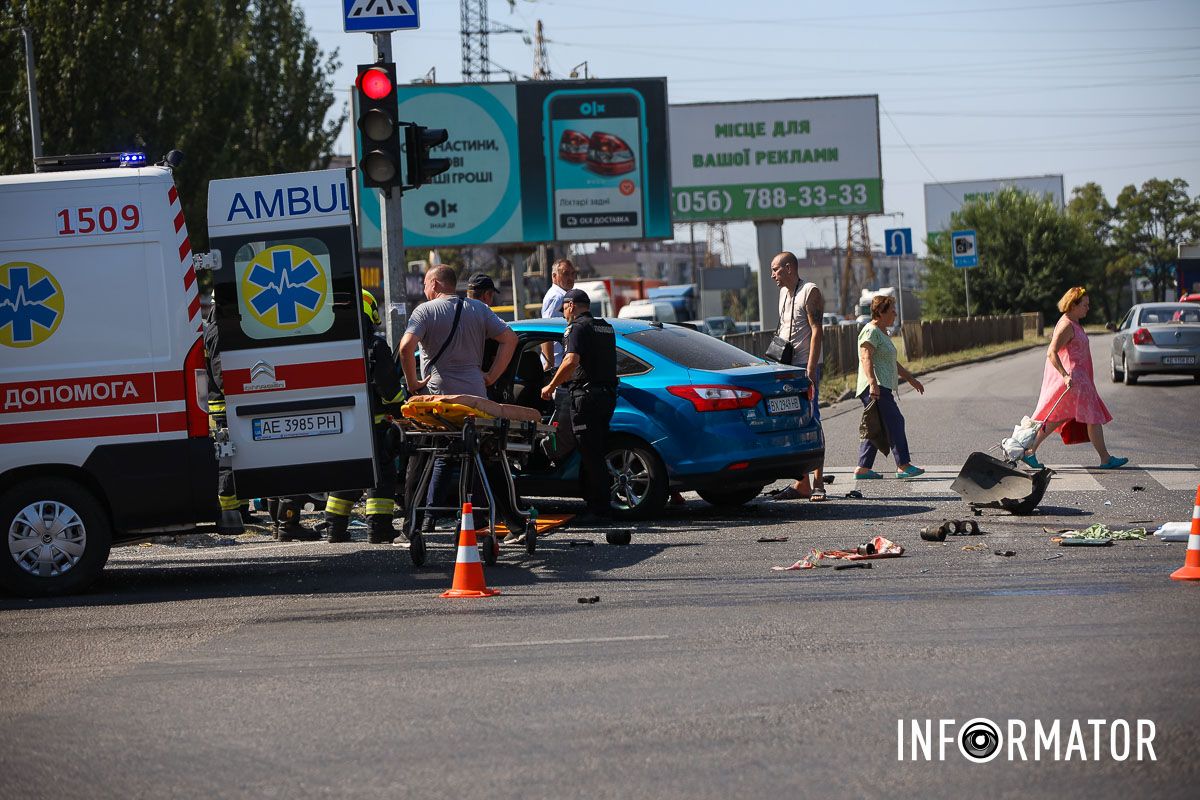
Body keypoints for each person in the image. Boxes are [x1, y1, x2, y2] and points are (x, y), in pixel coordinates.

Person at [398, 265, 518, 533]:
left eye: (427, 284)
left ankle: (422, 520)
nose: (426, 290)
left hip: (441, 399)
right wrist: (491, 376)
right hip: (476, 397)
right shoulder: (478, 309)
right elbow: (509, 339)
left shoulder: (425, 311)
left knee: (435, 455)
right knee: (478, 454)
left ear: (436, 284)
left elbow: (405, 348)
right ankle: (490, 519)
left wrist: (413, 383)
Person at [320, 290, 409, 544]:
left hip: (342, 423)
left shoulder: (331, 345)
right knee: (381, 475)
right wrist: (399, 407)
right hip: (374, 424)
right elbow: (389, 388)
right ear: (369, 312)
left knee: (348, 472)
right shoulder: (375, 345)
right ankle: (378, 529)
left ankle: (334, 528)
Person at [1022, 287, 1127, 470]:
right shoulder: (1066, 325)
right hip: (1075, 380)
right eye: (1085, 305)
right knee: (1091, 417)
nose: (1088, 308)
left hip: (1079, 379)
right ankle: (1105, 458)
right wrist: (1064, 375)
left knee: (1059, 417)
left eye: (1088, 304)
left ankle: (1030, 451)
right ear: (1073, 305)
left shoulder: (1074, 323)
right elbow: (1051, 353)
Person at [540, 289, 618, 521]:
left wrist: (551, 386)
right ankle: (598, 502)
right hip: (606, 395)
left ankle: (599, 508)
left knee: (590, 453)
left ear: (571, 305)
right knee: (597, 450)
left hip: (586, 397)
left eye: (563, 308)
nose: (563, 313)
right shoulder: (605, 327)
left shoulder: (576, 328)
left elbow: (571, 361)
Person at [768, 251, 828, 501]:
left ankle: (818, 482)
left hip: (806, 366)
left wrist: (811, 370)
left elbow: (817, 331)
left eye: (776, 270)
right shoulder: (783, 293)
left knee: (811, 419)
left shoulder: (810, 291)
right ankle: (801, 482)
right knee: (791, 421)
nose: (772, 276)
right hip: (786, 367)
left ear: (790, 268)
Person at [854, 294, 926, 480]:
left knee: (877, 425)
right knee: (895, 421)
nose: (895, 314)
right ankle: (903, 465)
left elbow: (892, 362)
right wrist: (872, 383)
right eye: (892, 310)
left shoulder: (882, 333)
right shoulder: (870, 331)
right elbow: (866, 357)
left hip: (881, 386)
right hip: (875, 386)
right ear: (880, 312)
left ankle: (863, 468)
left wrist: (911, 379)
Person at [540, 258, 577, 369]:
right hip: (557, 363)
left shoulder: (564, 295)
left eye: (572, 274)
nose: (570, 278)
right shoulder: (557, 297)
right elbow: (547, 330)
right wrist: (550, 364)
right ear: (554, 276)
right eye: (565, 274)